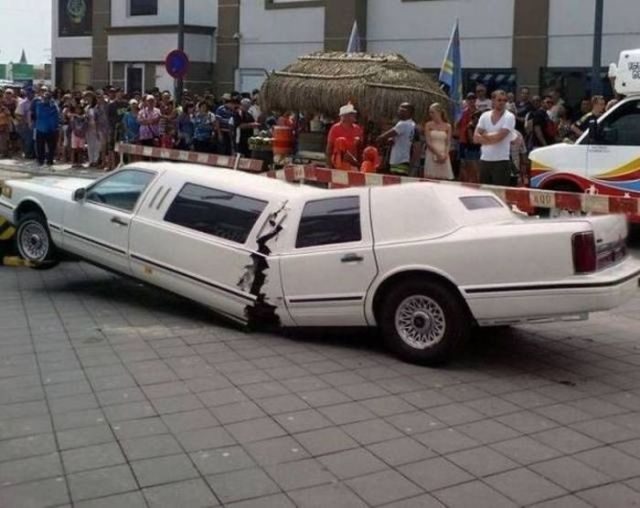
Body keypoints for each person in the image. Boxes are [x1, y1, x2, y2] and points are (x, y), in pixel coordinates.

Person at [473, 89, 516, 186]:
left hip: (501, 161)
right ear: (493, 100)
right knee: (484, 191)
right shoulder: (484, 116)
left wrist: (484, 135)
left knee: (499, 192)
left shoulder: (509, 117)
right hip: (485, 160)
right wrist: (492, 139)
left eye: (504, 100)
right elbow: (475, 138)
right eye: (499, 100)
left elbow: (499, 137)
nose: (502, 102)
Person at [377, 102, 417, 176]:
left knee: (395, 179)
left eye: (402, 110)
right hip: (404, 157)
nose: (399, 112)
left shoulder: (403, 124)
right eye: (399, 110)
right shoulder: (412, 124)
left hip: (398, 159)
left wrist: (379, 139)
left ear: (409, 112)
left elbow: (383, 136)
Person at [326, 103, 363, 170]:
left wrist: (359, 165)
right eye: (352, 114)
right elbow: (329, 148)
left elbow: (359, 149)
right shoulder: (335, 128)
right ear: (345, 117)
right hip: (338, 165)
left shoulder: (357, 129)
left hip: (353, 165)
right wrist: (329, 166)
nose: (354, 115)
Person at [423, 103, 453, 180]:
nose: (430, 114)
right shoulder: (428, 125)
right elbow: (428, 142)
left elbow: (448, 142)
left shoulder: (448, 126)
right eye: (430, 112)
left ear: (439, 112)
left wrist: (445, 155)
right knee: (430, 178)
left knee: (443, 179)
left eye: (432, 112)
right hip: (432, 152)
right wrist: (437, 154)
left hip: (443, 153)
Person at [34, 90, 60, 166]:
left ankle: (50, 160)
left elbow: (57, 116)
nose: (46, 99)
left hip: (51, 130)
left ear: (50, 98)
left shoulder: (54, 107)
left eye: (48, 98)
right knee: (40, 146)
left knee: (51, 147)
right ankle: (40, 160)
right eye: (45, 98)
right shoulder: (39, 105)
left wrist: (56, 127)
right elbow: (38, 113)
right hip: (41, 129)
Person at [15, 87, 35, 158]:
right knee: (28, 140)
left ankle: (31, 153)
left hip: (34, 124)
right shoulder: (22, 103)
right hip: (24, 124)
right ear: (27, 94)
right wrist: (23, 123)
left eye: (32, 92)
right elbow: (18, 115)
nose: (31, 94)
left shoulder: (36, 102)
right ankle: (27, 154)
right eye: (30, 93)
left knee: (32, 140)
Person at [70, 104, 87, 168]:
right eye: (76, 109)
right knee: (74, 149)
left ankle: (80, 162)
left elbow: (85, 122)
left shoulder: (84, 117)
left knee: (80, 149)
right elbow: (71, 125)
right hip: (74, 134)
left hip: (82, 135)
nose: (78, 110)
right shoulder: (73, 116)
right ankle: (73, 162)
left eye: (79, 109)